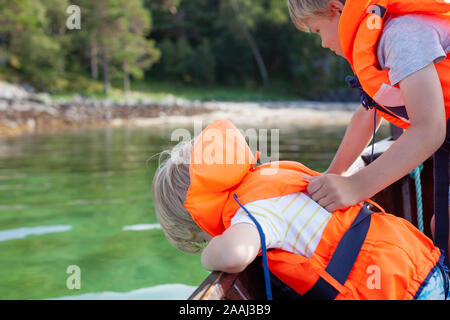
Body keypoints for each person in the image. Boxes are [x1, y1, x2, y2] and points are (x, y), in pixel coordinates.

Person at [152, 119, 449, 300]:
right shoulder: (274, 175)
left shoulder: (250, 211)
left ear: (197, 211)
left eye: (202, 234)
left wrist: (209, 253)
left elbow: (235, 255)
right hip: (425, 263)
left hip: (399, 291)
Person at [287, 0, 450, 266]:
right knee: (442, 224)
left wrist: (355, 187)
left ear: (335, 9)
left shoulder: (401, 35)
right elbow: (366, 117)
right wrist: (332, 175)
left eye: (317, 31)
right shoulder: (376, 44)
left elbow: (430, 129)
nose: (323, 44)